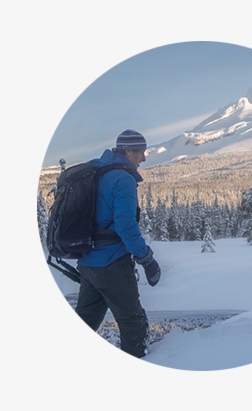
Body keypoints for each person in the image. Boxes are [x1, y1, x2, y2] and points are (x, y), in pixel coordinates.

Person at [75, 129, 162, 358]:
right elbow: (125, 225)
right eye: (141, 152)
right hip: (112, 262)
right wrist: (146, 258)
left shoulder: (98, 172)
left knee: (84, 321)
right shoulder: (123, 178)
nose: (143, 158)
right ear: (128, 151)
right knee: (133, 322)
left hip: (88, 262)